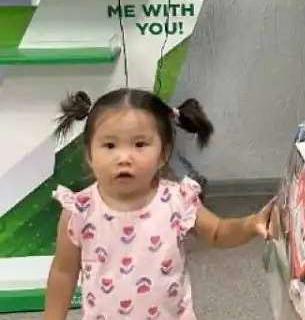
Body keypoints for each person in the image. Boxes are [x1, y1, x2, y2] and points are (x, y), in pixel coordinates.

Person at [43, 89, 270, 320]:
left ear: (163, 153)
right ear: (90, 154)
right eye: (110, 145)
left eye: (140, 144)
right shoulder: (79, 211)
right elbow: (63, 273)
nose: (124, 158)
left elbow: (218, 232)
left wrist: (251, 224)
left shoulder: (177, 201)